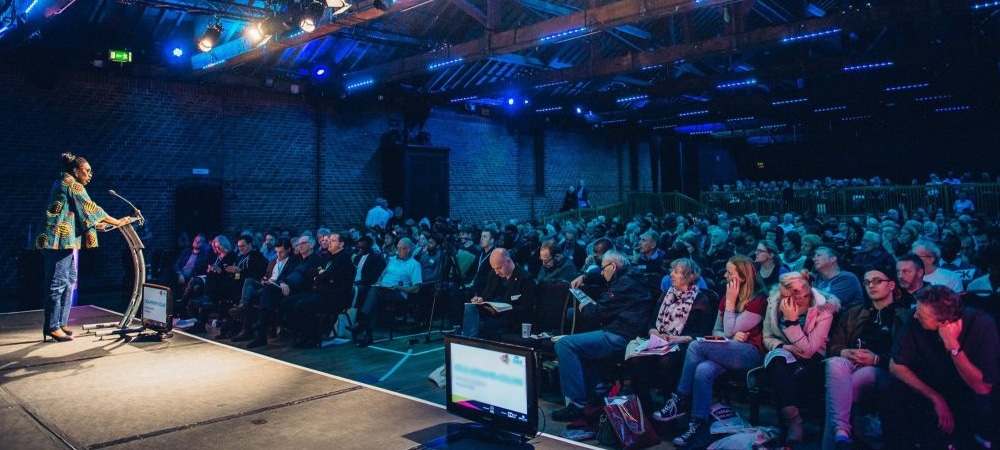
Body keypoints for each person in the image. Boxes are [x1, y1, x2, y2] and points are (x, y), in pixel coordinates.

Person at [655, 256, 768, 448]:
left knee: (696, 345)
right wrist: (729, 334)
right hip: (726, 348)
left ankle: (680, 398)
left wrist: (731, 304)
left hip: (750, 352)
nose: (724, 275)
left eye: (729, 273)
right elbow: (718, 330)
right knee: (703, 370)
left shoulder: (758, 300)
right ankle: (697, 425)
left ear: (741, 277)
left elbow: (730, 328)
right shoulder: (726, 297)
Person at [882, 286, 1000, 448]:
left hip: (968, 390)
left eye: (922, 316)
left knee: (984, 405)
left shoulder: (981, 324)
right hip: (933, 385)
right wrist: (936, 398)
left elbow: (983, 388)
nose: (916, 315)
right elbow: (896, 365)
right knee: (891, 389)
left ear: (944, 323)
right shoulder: (915, 318)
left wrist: (953, 346)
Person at [35, 152, 133, 342]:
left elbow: (77, 212)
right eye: (86, 171)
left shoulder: (65, 182)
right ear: (75, 170)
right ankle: (52, 326)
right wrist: (117, 221)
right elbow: (90, 208)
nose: (90, 175)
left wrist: (99, 225)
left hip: (63, 239)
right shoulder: (72, 184)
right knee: (57, 284)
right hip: (58, 240)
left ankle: (61, 323)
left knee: (69, 280)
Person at [551, 250, 653, 422]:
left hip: (622, 335)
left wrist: (586, 307)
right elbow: (598, 277)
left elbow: (597, 313)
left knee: (565, 345)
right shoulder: (627, 276)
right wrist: (584, 277)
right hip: (619, 330)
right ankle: (598, 389)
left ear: (613, 266)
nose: (600, 272)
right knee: (578, 345)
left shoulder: (625, 284)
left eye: (603, 268)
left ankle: (577, 404)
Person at [823, 267, 908, 450]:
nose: (871, 285)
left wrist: (877, 359)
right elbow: (834, 345)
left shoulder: (903, 316)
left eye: (877, 281)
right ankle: (842, 433)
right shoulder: (854, 313)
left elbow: (905, 356)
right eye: (867, 282)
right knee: (835, 363)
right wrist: (844, 352)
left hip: (882, 369)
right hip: (850, 364)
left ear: (891, 285)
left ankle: (837, 438)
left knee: (837, 392)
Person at [627, 258, 714, 423]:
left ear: (688, 277)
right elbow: (652, 322)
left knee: (667, 360)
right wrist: (654, 331)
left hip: (685, 344)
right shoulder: (666, 294)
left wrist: (677, 338)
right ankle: (645, 407)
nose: (671, 274)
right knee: (636, 359)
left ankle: (672, 404)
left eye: (676, 271)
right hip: (660, 340)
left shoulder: (701, 300)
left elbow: (702, 332)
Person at [759, 271, 841, 444]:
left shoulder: (823, 308)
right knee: (778, 363)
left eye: (785, 295)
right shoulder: (775, 301)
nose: (781, 298)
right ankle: (793, 421)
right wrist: (782, 346)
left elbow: (809, 349)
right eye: (780, 293)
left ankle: (792, 426)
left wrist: (791, 323)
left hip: (813, 360)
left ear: (803, 292)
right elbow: (767, 337)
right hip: (783, 356)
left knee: (785, 373)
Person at [354, 237, 422, 347]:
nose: (398, 250)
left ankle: (361, 323)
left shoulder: (414, 265)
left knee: (373, 292)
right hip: (383, 288)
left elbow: (416, 288)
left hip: (398, 293)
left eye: (401, 248)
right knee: (372, 294)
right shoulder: (392, 260)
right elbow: (382, 274)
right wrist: (380, 282)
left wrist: (398, 288)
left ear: (409, 249)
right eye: (398, 248)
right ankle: (367, 333)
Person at [461, 248, 536, 340]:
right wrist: (480, 300)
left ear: (508, 261)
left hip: (512, 318)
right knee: (470, 307)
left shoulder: (525, 279)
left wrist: (503, 309)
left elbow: (526, 309)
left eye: (499, 268)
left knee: (485, 327)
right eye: (494, 268)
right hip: (492, 313)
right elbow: (487, 295)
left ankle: (474, 341)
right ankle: (467, 340)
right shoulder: (494, 274)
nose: (497, 272)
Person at [812, 246, 863, 310]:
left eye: (818, 255)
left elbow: (830, 304)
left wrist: (807, 288)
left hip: (843, 319)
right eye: (814, 257)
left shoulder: (847, 278)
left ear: (832, 259)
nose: (814, 259)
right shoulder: (816, 279)